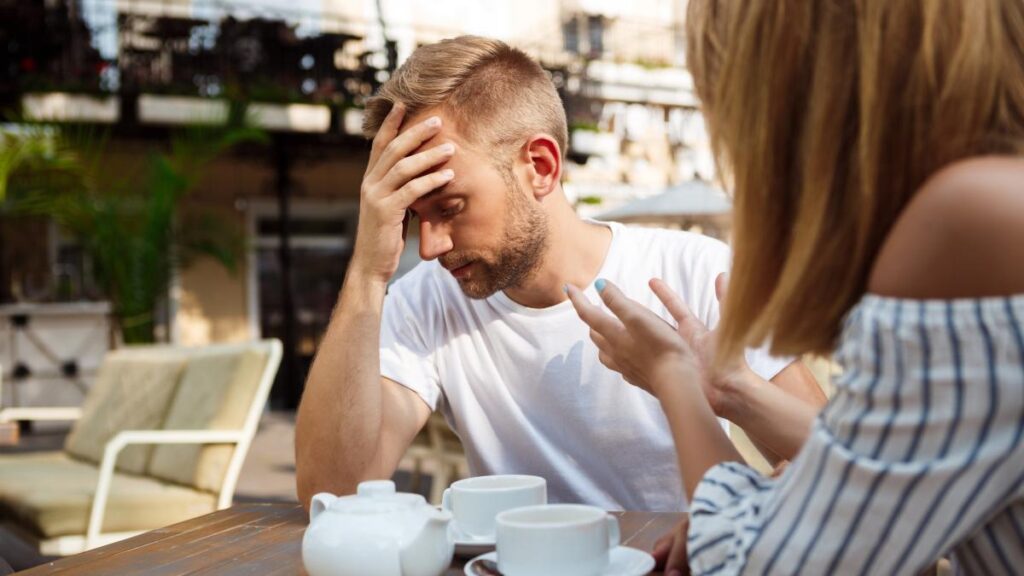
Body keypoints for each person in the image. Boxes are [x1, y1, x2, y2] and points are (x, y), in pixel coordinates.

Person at [568, 0, 1024, 573]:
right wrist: (730, 389)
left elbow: (762, 562)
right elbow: (880, 470)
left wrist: (672, 376)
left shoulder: (964, 227)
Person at [294, 35, 825, 513]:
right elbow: (333, 494)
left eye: (450, 206)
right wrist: (367, 272)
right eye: (415, 218)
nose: (430, 247)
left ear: (541, 167)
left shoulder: (692, 272)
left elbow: (837, 467)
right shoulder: (425, 302)